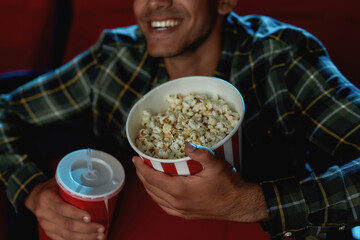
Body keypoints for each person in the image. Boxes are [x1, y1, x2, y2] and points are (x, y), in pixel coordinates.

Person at [1, 0, 359, 239]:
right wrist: (33, 191)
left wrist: (252, 201)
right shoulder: (114, 60)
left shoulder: (283, 57)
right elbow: (6, 110)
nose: (157, 3)